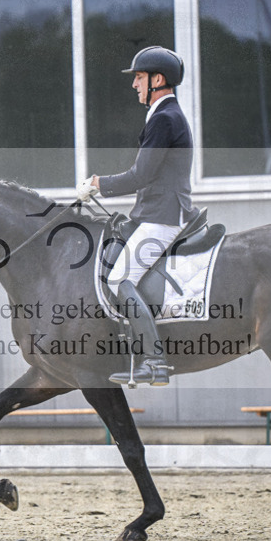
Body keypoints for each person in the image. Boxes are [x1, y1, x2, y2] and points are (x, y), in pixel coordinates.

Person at [76, 45, 193, 387]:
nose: (134, 85)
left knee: (118, 280)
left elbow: (141, 174)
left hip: (164, 216)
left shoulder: (165, 118)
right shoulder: (163, 115)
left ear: (158, 79)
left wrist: (99, 184)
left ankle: (154, 361)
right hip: (155, 211)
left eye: (139, 78)